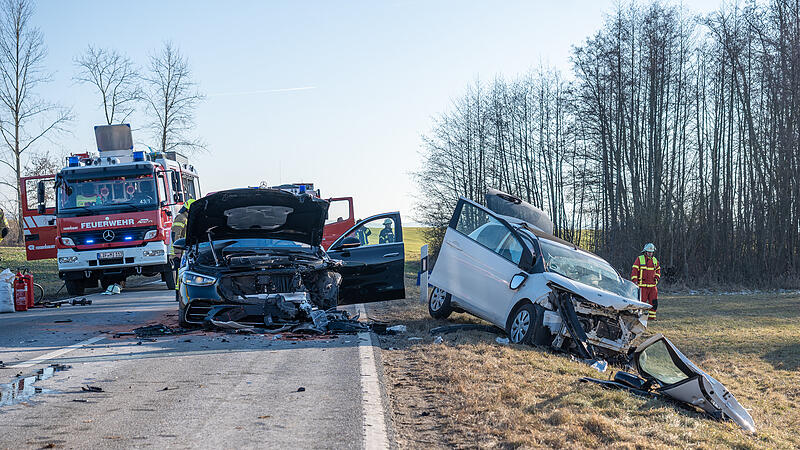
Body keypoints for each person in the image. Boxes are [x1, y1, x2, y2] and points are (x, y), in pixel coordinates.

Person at [631, 243, 661, 320]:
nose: (650, 253)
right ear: (645, 251)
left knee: (654, 302)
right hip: (642, 286)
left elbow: (658, 270)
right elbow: (634, 270)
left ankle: (652, 317)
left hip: (652, 286)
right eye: (648, 252)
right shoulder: (640, 259)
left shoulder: (655, 260)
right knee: (641, 303)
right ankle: (638, 317)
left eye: (651, 252)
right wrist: (635, 280)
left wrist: (656, 279)